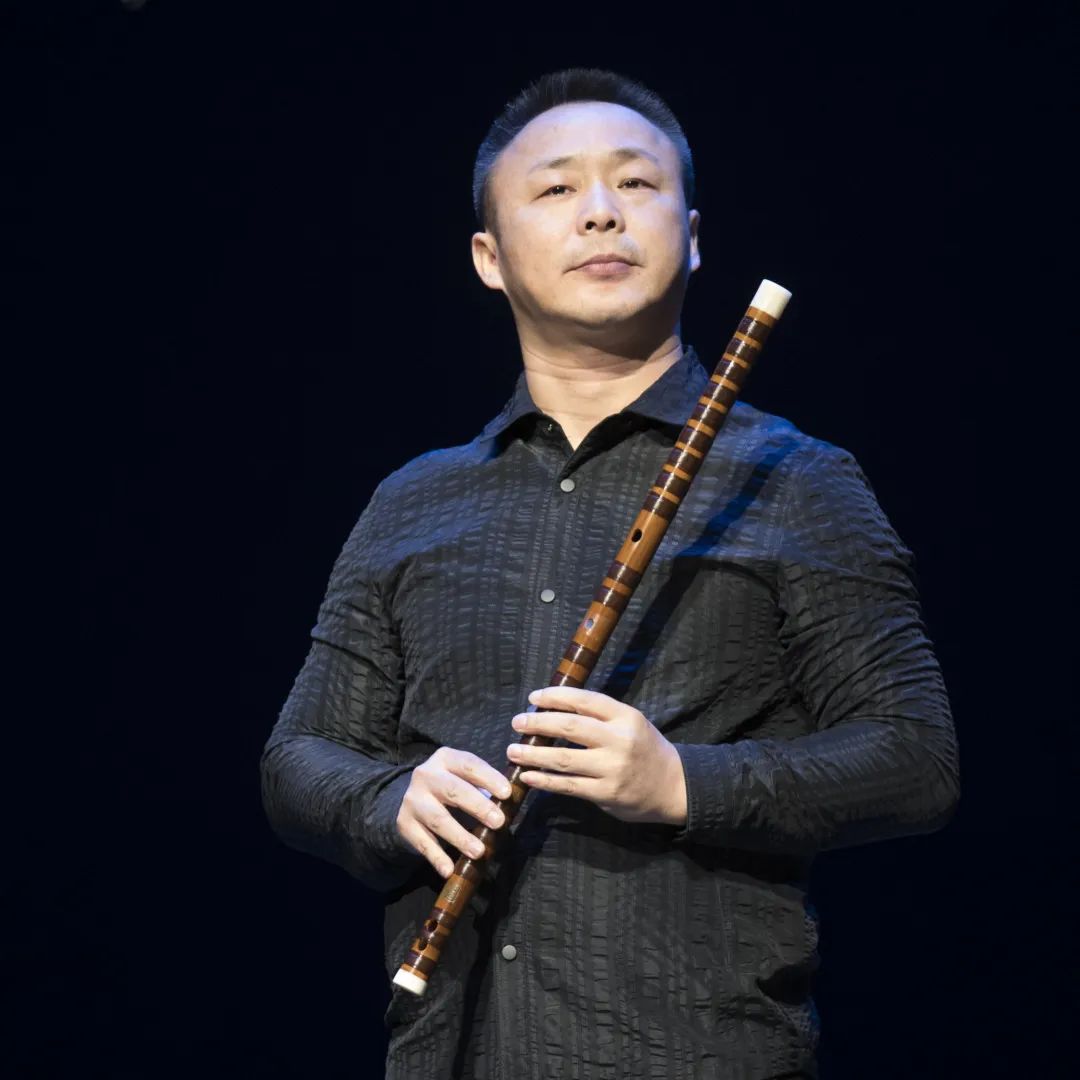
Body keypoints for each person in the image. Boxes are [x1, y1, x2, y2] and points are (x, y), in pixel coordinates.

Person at [259, 68, 960, 1080]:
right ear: (489, 257)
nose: (600, 212)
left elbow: (916, 760)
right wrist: (389, 799)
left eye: (635, 183)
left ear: (693, 235)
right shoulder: (413, 500)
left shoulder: (795, 479)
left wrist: (682, 782)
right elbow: (297, 760)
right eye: (556, 188)